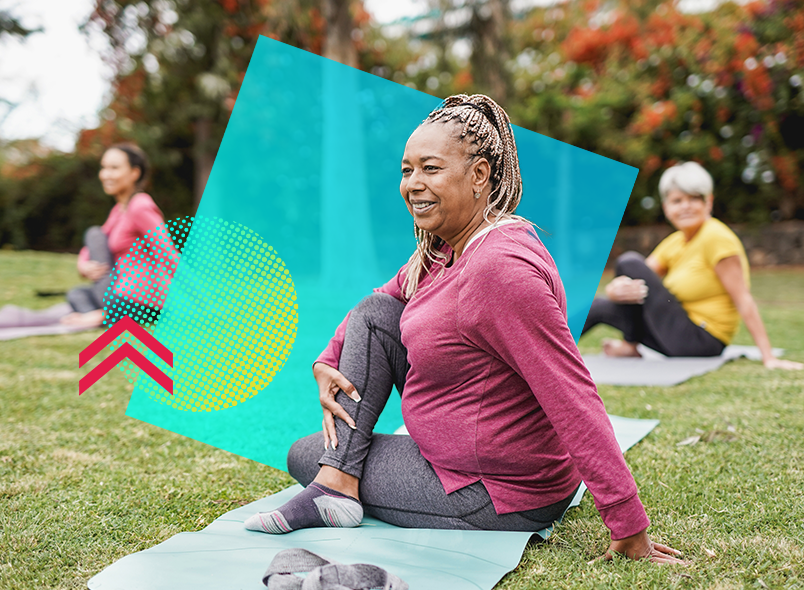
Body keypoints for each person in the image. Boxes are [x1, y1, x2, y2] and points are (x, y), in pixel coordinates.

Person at [244, 95, 684, 564]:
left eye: (430, 168)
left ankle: (336, 483)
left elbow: (571, 393)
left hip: (496, 491)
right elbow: (380, 302)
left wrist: (628, 525)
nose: (413, 184)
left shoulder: (499, 269)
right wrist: (326, 360)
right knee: (375, 316)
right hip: (461, 461)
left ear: (479, 176)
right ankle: (338, 482)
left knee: (303, 453)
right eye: (406, 170)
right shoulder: (444, 248)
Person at [582, 161, 802, 371]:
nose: (685, 206)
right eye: (677, 201)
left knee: (628, 261)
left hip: (702, 339)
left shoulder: (716, 237)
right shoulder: (677, 241)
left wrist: (768, 356)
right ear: (667, 207)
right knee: (598, 306)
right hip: (675, 333)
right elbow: (638, 278)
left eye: (694, 199)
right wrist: (614, 290)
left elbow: (743, 298)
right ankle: (549, 355)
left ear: (708, 202)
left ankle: (629, 346)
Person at [0, 144, 168, 332]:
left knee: (94, 235)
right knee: (77, 294)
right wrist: (83, 265)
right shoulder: (119, 210)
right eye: (104, 168)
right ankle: (102, 314)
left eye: (114, 168)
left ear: (134, 173)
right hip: (116, 290)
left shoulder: (140, 206)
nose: (105, 174)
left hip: (141, 294)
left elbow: (167, 252)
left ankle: (104, 315)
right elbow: (93, 245)